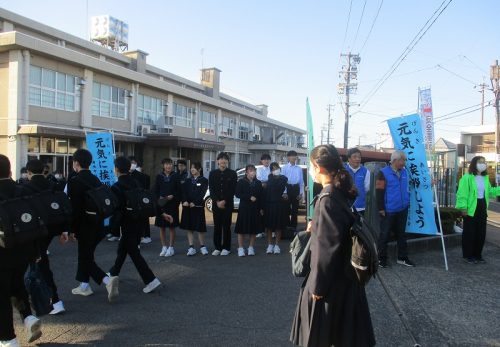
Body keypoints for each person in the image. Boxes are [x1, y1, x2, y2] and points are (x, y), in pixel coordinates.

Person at [290, 144, 375, 347]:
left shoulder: (327, 199)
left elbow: (325, 249)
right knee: (344, 335)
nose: (310, 170)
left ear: (318, 168)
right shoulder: (340, 191)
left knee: (323, 337)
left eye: (310, 166)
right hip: (345, 278)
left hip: (332, 284)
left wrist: (317, 287)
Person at [0, 155, 43, 347]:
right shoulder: (22, 190)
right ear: (10, 171)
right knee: (16, 284)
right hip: (24, 249)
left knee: (2, 295)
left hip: (2, 250)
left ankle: (8, 338)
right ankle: (28, 317)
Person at [66, 149, 119, 301]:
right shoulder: (95, 179)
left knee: (85, 258)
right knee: (86, 255)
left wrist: (71, 229)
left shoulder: (75, 181)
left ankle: (107, 281)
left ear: (76, 163)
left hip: (84, 226)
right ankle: (84, 286)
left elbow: (74, 209)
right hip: (99, 224)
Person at [108, 156, 162, 294]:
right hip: (140, 222)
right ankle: (113, 273)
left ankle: (150, 280)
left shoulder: (117, 186)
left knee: (133, 252)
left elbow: (116, 209)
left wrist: (109, 227)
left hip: (127, 223)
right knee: (123, 249)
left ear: (117, 169)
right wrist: (161, 212)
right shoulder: (136, 182)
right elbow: (148, 198)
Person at [24, 159, 68, 315]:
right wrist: (64, 231)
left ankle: (54, 301)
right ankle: (51, 300)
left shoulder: (26, 188)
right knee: (40, 263)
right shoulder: (53, 185)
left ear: (29, 172)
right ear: (44, 170)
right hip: (53, 228)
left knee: (40, 265)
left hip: (35, 231)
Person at [456, 156, 500, 264]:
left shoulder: (485, 178)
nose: (483, 164)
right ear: (474, 164)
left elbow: (490, 192)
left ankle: (478, 255)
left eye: (484, 162)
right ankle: (468, 255)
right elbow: (462, 194)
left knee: (481, 232)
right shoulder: (467, 177)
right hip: (471, 208)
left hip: (482, 206)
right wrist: (463, 208)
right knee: (470, 233)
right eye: (480, 162)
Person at [375, 150, 415, 268]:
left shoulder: (404, 172)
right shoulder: (382, 173)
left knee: (401, 234)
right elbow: (379, 191)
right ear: (396, 160)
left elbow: (412, 184)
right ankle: (381, 259)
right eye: (403, 160)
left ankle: (402, 258)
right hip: (388, 210)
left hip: (402, 208)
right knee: (385, 235)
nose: (405, 162)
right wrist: (381, 208)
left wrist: (429, 183)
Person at [208, 152, 237, 256]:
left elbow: (232, 189)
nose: (223, 161)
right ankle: (217, 247)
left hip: (228, 204)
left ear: (228, 161)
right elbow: (211, 189)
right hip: (216, 204)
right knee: (217, 226)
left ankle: (226, 247)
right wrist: (217, 201)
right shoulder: (212, 173)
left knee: (226, 225)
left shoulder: (232, 173)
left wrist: (224, 201)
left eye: (225, 159)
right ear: (217, 161)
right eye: (221, 159)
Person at [180, 162, 209, 256]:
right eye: (191, 168)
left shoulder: (204, 180)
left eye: (194, 168)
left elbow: (202, 193)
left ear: (199, 169)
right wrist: (184, 201)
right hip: (188, 207)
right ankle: (191, 247)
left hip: (198, 207)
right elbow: (183, 192)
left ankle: (202, 246)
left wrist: (195, 202)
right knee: (189, 228)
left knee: (200, 228)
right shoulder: (188, 180)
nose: (192, 169)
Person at [235, 164, 264, 257]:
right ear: (246, 172)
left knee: (253, 229)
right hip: (244, 208)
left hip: (255, 209)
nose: (252, 172)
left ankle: (251, 247)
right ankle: (240, 248)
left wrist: (261, 208)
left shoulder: (258, 183)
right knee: (241, 229)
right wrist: (248, 197)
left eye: (254, 170)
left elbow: (260, 196)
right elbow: (238, 194)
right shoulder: (241, 182)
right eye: (250, 170)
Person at [154, 158, 181, 257]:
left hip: (172, 205)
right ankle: (164, 247)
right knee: (162, 227)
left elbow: (179, 190)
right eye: (166, 164)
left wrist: (173, 196)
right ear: (163, 165)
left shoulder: (176, 176)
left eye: (170, 164)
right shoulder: (159, 176)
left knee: (171, 227)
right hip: (161, 205)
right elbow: (155, 191)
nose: (168, 166)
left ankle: (171, 247)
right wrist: (158, 199)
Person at [264, 162, 288, 255]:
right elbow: (270, 186)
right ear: (271, 171)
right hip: (269, 205)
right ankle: (270, 245)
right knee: (269, 226)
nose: (275, 170)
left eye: (277, 168)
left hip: (279, 204)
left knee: (278, 226)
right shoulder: (270, 178)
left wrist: (271, 179)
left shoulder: (284, 178)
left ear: (280, 169)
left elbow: (278, 187)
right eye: (273, 169)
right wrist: (271, 178)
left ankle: (277, 245)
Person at [128, 156, 152, 245]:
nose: (132, 164)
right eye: (130, 162)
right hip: (131, 201)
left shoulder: (141, 176)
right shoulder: (126, 175)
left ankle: (147, 236)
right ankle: (136, 236)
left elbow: (145, 188)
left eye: (134, 163)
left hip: (141, 200)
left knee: (144, 218)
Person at [282, 150, 304, 232]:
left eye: (295, 156)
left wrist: (301, 193)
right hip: (287, 188)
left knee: (295, 210)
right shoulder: (284, 168)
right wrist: (284, 192)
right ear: (288, 157)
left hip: (296, 188)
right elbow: (283, 181)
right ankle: (287, 227)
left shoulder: (299, 168)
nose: (294, 157)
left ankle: (294, 228)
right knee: (286, 209)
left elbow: (301, 182)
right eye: (292, 156)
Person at [345, 148, 370, 214]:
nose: (358, 159)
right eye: (355, 157)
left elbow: (367, 188)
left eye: (359, 157)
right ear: (349, 159)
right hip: (345, 206)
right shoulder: (343, 170)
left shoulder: (365, 171)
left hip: (360, 207)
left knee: (359, 224)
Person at [256, 154, 271, 238]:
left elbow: (271, 179)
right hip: (261, 193)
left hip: (270, 193)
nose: (266, 161)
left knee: (269, 211)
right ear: (261, 161)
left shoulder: (272, 169)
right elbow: (259, 179)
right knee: (261, 211)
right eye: (264, 159)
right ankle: (260, 231)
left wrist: (266, 182)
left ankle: (270, 230)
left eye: (268, 159)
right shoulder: (259, 169)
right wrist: (267, 181)